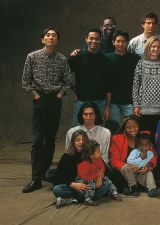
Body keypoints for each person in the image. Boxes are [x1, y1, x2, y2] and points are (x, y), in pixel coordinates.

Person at [21, 27, 72, 193]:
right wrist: (36, 95)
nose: (51, 38)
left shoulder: (62, 59)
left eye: (54, 35)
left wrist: (59, 95)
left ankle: (43, 172)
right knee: (37, 141)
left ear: (57, 40)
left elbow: (67, 81)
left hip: (54, 101)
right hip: (40, 100)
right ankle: (35, 178)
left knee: (50, 140)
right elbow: (25, 81)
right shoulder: (32, 57)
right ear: (43, 39)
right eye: (48, 35)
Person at [53, 130, 110, 208]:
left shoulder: (91, 153)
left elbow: (102, 166)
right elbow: (58, 178)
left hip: (90, 185)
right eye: (78, 140)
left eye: (83, 140)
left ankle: (71, 199)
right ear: (73, 141)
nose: (81, 142)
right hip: (73, 186)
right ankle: (86, 198)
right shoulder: (67, 156)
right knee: (57, 190)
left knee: (106, 185)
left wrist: (99, 176)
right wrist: (73, 184)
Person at [68, 28, 112, 127]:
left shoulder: (105, 60)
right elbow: (65, 76)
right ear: (86, 39)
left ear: (100, 40)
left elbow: (109, 85)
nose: (94, 41)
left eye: (97, 39)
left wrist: (107, 107)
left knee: (97, 132)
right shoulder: (77, 58)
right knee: (76, 131)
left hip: (100, 102)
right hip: (82, 101)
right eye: (91, 38)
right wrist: (75, 90)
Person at [109, 115, 159, 193]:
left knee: (155, 171)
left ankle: (151, 190)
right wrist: (130, 166)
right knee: (114, 175)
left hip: (140, 171)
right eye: (128, 127)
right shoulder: (117, 139)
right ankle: (134, 187)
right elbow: (114, 160)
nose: (132, 130)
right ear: (124, 129)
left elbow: (153, 155)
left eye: (135, 126)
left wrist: (148, 165)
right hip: (125, 170)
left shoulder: (142, 137)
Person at [105, 30, 140, 133]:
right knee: (114, 128)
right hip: (113, 101)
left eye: (123, 41)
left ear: (127, 42)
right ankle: (115, 148)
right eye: (118, 41)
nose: (120, 44)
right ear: (113, 42)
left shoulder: (135, 59)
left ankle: (129, 149)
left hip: (129, 100)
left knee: (130, 128)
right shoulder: (107, 58)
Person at [76, 140, 122, 206]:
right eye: (98, 151)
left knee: (107, 179)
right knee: (91, 184)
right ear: (91, 155)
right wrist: (97, 176)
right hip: (84, 180)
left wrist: (99, 176)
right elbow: (85, 176)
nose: (101, 152)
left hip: (95, 176)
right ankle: (88, 199)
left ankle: (114, 193)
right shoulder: (83, 164)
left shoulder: (99, 159)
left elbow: (102, 167)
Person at [125, 131, 160, 197]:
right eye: (141, 145)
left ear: (150, 145)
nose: (143, 147)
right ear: (138, 144)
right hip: (133, 175)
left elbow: (152, 163)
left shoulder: (150, 154)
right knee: (127, 169)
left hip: (142, 175)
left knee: (149, 173)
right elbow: (129, 162)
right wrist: (140, 158)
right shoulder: (135, 152)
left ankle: (152, 190)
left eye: (146, 145)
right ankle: (134, 188)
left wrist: (148, 168)